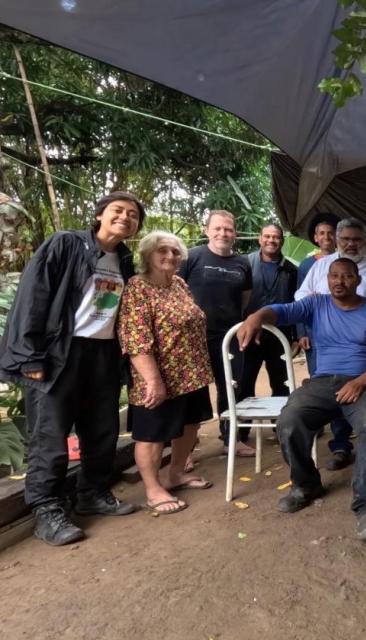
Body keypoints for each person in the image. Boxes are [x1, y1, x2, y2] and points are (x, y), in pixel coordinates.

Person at [0, 191, 144, 546]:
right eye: (118, 210)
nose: (125, 217)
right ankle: (47, 510)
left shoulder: (124, 261)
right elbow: (34, 295)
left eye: (133, 215)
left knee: (102, 429)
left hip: (103, 353)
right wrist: (30, 354)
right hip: (60, 351)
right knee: (50, 435)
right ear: (100, 214)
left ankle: (92, 493)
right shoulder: (66, 244)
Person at [238, 257, 366, 542]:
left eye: (347, 276)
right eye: (334, 276)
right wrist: (255, 317)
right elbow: (282, 311)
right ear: (327, 279)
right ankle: (306, 484)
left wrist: (360, 382)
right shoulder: (316, 304)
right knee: (290, 419)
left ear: (358, 280)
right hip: (323, 382)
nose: (339, 281)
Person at [118, 231, 215, 514]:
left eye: (175, 251)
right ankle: (153, 489)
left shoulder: (179, 284)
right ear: (147, 255)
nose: (170, 256)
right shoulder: (137, 288)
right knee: (152, 434)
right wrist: (153, 380)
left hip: (191, 372)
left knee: (190, 424)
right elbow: (135, 339)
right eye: (162, 250)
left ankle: (176, 474)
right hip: (157, 376)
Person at [295, 217, 366, 469]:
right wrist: (312, 299)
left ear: (365, 242)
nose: (351, 244)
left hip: (365, 346)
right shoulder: (322, 266)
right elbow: (300, 295)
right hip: (328, 343)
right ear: (337, 239)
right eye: (346, 239)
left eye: (357, 240)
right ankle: (340, 446)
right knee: (333, 392)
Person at [177, 210, 254, 457]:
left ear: (235, 234)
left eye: (228, 229)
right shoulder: (191, 257)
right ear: (206, 230)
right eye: (218, 228)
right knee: (190, 393)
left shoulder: (242, 263)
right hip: (193, 338)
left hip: (229, 336)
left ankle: (231, 439)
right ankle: (185, 452)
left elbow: (245, 298)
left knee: (231, 387)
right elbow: (175, 292)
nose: (223, 233)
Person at [242, 223, 297, 401]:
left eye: (276, 237)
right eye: (267, 236)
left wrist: (296, 336)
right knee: (244, 381)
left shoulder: (291, 270)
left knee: (281, 383)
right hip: (249, 333)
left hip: (280, 334)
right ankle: (241, 420)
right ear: (260, 239)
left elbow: (296, 303)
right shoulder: (245, 264)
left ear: (282, 241)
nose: (271, 240)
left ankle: (281, 418)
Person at [296, 212, 340, 377]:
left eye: (330, 233)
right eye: (322, 233)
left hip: (340, 324)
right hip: (313, 326)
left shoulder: (344, 261)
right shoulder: (307, 265)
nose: (326, 237)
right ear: (316, 237)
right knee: (317, 372)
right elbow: (299, 299)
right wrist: (302, 333)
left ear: (336, 237)